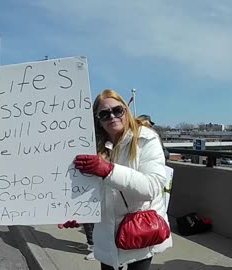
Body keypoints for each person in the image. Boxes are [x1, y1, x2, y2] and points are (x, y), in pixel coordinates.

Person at [62, 89, 172, 270]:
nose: (112, 116)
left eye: (117, 110)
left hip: (139, 230)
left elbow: (152, 187)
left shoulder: (146, 138)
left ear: (126, 110)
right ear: (98, 120)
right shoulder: (94, 147)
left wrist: (108, 170)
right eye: (104, 114)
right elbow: (93, 191)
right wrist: (78, 213)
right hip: (106, 234)